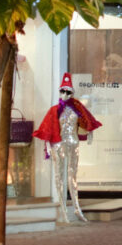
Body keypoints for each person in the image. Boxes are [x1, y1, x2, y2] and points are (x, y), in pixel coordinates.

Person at [33, 73, 102, 223]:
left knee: (73, 176)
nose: (64, 94)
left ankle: (76, 208)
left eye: (68, 92)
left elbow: (86, 120)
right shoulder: (55, 110)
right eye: (62, 91)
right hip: (59, 145)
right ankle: (63, 209)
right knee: (60, 175)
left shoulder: (77, 108)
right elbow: (48, 127)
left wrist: (89, 132)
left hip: (73, 144)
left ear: (72, 93)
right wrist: (47, 144)